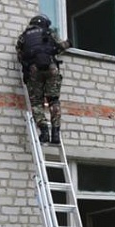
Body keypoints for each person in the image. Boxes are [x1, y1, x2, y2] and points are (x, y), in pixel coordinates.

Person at [16, 14, 71, 145]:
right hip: (51, 68)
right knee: (53, 100)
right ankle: (56, 133)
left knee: (36, 103)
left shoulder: (23, 37)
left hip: (34, 71)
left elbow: (20, 56)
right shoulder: (48, 32)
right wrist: (68, 43)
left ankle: (44, 132)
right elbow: (59, 47)